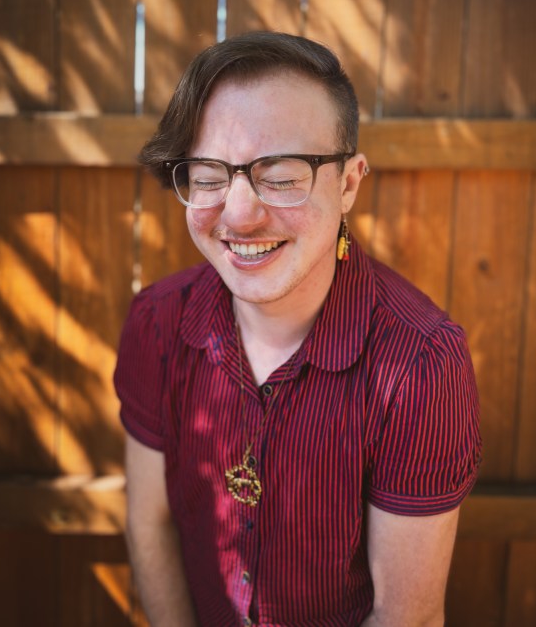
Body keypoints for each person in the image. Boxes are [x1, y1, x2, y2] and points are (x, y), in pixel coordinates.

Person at [114, 31, 481, 627]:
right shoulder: (156, 322)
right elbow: (148, 522)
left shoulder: (420, 363)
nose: (237, 212)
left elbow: (404, 616)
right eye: (208, 175)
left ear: (349, 183)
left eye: (281, 175)